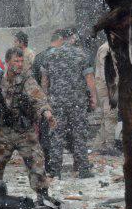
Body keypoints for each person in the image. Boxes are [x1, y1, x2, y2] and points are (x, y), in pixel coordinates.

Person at [0, 46, 56, 201]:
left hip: (24, 131)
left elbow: (38, 98)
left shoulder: (27, 79)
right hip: (3, 131)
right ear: (7, 62)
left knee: (36, 163)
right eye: (15, 61)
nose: (19, 64)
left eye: (21, 61)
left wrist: (47, 113)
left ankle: (42, 196)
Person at [39, 29, 96, 179]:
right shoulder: (82, 55)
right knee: (79, 134)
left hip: (56, 102)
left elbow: (45, 81)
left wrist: (45, 100)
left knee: (57, 134)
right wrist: (94, 98)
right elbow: (89, 79)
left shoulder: (49, 55)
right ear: (71, 38)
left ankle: (55, 170)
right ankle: (83, 168)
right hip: (77, 101)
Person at [93, 36, 118, 151]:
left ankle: (99, 145)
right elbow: (106, 72)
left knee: (107, 117)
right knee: (110, 116)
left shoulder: (112, 47)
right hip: (107, 88)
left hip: (109, 87)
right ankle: (109, 146)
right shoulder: (106, 48)